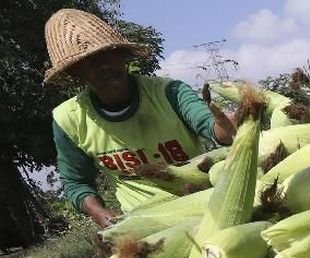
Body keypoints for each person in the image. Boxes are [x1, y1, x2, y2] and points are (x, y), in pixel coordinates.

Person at [44, 9, 236, 230]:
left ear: (123, 56)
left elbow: (210, 126)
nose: (103, 65)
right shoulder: (68, 119)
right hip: (144, 223)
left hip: (207, 204)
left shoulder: (169, 93)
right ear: (75, 73)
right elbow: (76, 182)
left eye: (107, 55)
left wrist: (227, 127)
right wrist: (98, 212)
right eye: (89, 62)